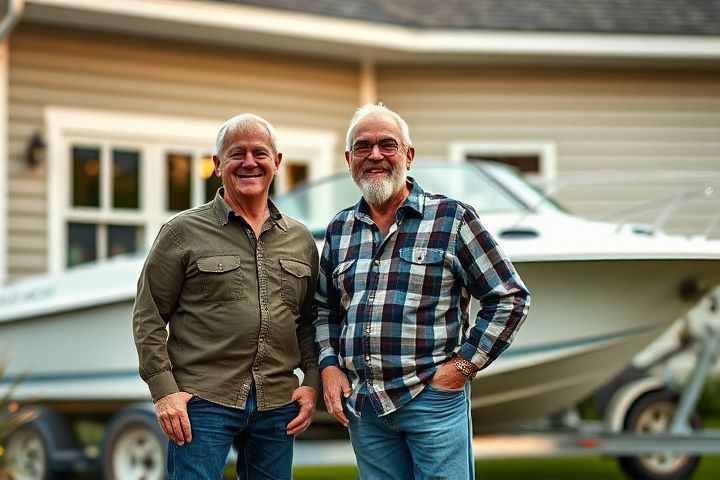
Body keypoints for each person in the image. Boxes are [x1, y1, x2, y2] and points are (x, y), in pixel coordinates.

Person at [315, 104, 531, 480]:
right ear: (349, 159)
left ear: (409, 155)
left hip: (432, 400)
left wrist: (462, 368)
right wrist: (329, 366)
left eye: (388, 145)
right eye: (363, 147)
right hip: (365, 407)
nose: (375, 155)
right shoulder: (339, 229)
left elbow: (509, 298)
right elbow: (324, 310)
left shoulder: (452, 219)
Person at [132, 113, 320, 480]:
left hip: (277, 402)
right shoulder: (182, 232)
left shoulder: (300, 239)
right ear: (218, 165)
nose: (249, 162)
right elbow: (148, 315)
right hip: (202, 401)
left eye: (260, 153)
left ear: (277, 163)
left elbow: (310, 319)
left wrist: (311, 380)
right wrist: (164, 391)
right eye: (237, 153)